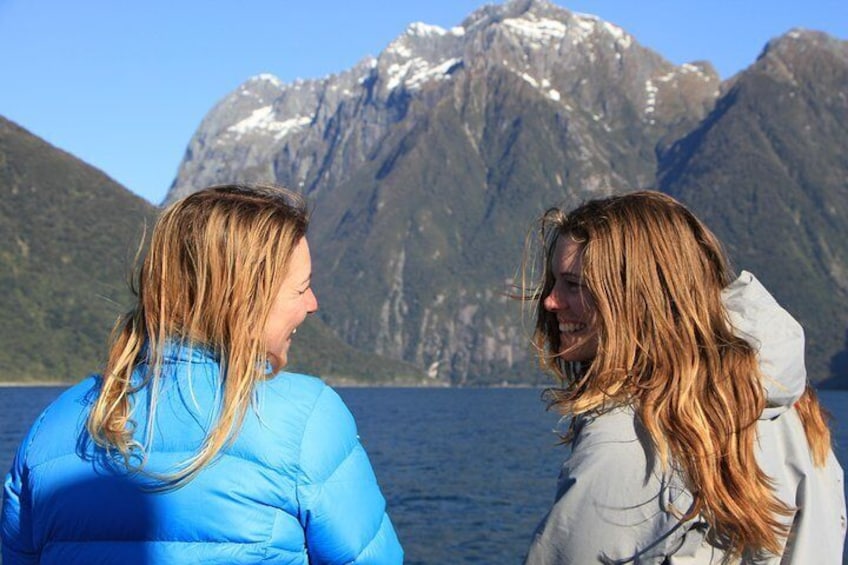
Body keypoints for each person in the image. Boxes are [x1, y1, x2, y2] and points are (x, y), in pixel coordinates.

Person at [1, 184, 403, 564]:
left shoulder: (56, 423)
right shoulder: (306, 419)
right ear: (245, 300)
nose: (312, 304)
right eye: (301, 289)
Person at [521, 191, 845, 563]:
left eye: (573, 284)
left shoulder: (630, 439)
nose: (550, 301)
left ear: (638, 297)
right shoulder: (791, 407)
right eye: (555, 282)